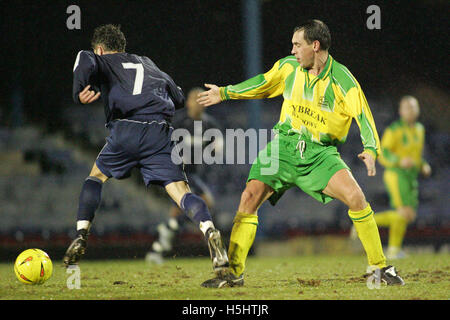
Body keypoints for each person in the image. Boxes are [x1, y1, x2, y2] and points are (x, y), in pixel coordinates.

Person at [197, 20, 404, 288]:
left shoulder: (342, 79)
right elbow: (262, 83)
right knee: (248, 197)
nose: (292, 50)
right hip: (283, 147)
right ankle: (232, 273)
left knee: (356, 197)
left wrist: (371, 148)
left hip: (319, 154)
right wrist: (225, 93)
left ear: (314, 46)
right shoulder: (288, 67)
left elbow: (363, 115)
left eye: (297, 44)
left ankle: (379, 268)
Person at [63, 25, 229, 276]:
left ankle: (81, 234)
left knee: (95, 177)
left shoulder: (99, 59)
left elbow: (84, 59)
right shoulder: (149, 64)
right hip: (159, 133)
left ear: (100, 49)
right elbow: (180, 97)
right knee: (181, 192)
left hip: (127, 128)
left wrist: (79, 91)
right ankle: (209, 230)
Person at [146, 87, 221, 264]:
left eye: (201, 99)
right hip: (176, 172)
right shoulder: (178, 122)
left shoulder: (210, 125)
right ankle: (212, 243)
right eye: (195, 98)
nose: (198, 102)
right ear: (187, 102)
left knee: (177, 212)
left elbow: (216, 150)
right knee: (206, 201)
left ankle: (158, 249)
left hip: (193, 173)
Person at [373, 96, 431, 259]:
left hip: (411, 176)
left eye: (413, 107)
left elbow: (415, 155)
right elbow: (382, 153)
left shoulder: (420, 129)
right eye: (407, 107)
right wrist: (399, 161)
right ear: (400, 111)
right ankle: (393, 249)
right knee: (404, 213)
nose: (411, 110)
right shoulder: (394, 129)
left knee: (409, 216)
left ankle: (367, 222)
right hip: (396, 174)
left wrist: (422, 165)